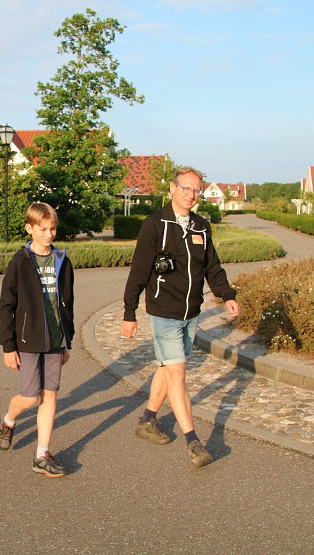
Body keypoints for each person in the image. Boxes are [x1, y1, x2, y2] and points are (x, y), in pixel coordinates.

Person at [121, 166, 239, 467]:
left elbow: (212, 266)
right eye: (185, 188)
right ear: (171, 189)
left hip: (191, 311)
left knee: (166, 367)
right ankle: (193, 442)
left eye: (196, 189)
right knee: (177, 372)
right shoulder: (154, 224)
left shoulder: (201, 226)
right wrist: (129, 311)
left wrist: (227, 295)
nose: (191, 194)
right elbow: (139, 270)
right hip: (163, 310)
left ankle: (147, 420)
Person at [0, 202, 75, 478]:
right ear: (30, 228)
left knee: (50, 395)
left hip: (55, 339)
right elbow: (6, 305)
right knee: (31, 398)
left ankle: (42, 454)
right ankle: (9, 420)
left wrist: (67, 340)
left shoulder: (62, 261)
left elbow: (68, 303)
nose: (49, 234)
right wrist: (8, 345)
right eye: (43, 229)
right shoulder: (20, 261)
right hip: (27, 340)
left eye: (53, 228)